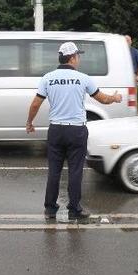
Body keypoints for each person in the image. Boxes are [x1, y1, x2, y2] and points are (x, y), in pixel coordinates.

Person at [26, 42, 123, 222]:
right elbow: (103, 99)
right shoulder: (83, 78)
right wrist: (115, 98)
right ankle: (74, 210)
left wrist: (29, 122)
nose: (79, 59)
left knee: (54, 171)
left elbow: (35, 103)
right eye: (78, 56)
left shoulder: (48, 78)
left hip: (56, 130)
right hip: (76, 131)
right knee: (75, 171)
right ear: (72, 58)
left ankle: (50, 209)